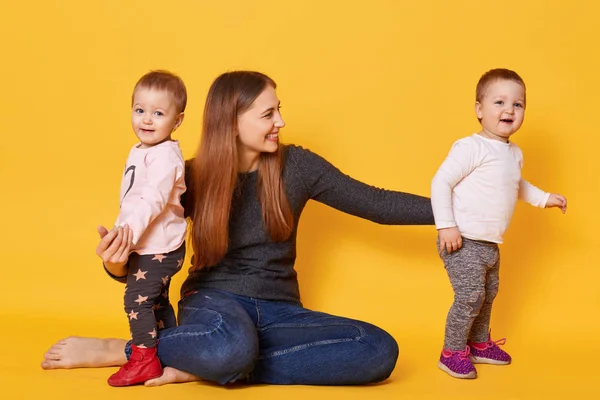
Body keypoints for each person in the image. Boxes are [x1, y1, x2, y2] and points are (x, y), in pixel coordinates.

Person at [42, 70, 434, 387]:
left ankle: (206, 362)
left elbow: (377, 204)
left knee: (377, 349)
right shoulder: (188, 175)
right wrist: (114, 263)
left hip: (281, 312)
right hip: (214, 303)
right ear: (232, 121)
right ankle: (128, 350)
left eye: (278, 109)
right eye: (268, 114)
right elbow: (147, 255)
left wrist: (457, 213)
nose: (280, 121)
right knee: (230, 345)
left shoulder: (298, 166)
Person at [431, 68, 567, 379]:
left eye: (517, 104)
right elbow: (441, 182)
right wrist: (446, 225)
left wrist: (545, 198)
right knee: (469, 296)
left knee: (488, 293)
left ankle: (478, 344)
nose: (509, 110)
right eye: (499, 102)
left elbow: (515, 184)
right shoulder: (470, 147)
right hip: (462, 239)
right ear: (479, 110)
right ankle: (451, 351)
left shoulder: (513, 153)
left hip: (490, 242)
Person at [106, 70, 188, 386]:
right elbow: (132, 198)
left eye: (158, 113)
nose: (147, 120)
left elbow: (152, 199)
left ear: (177, 121)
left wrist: (126, 232)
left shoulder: (166, 156)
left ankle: (144, 358)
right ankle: (172, 349)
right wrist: (120, 230)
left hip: (161, 246)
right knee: (156, 301)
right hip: (147, 244)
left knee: (137, 301)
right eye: (140, 110)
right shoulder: (140, 150)